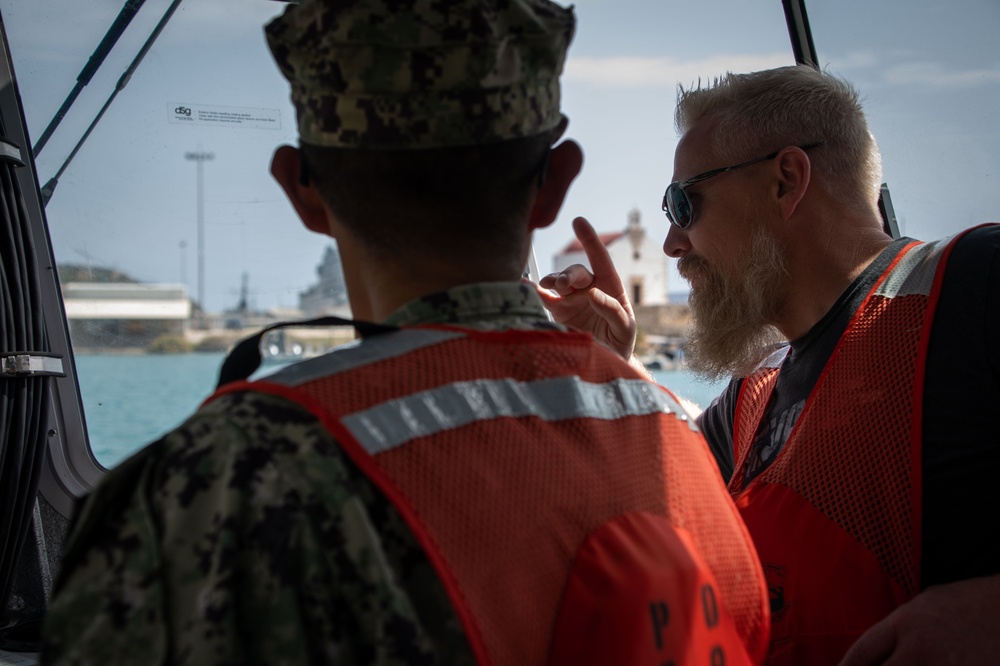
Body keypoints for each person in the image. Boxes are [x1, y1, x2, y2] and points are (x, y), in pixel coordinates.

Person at [39, 1, 771, 664]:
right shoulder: (683, 453)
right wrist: (607, 375)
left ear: (302, 191)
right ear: (554, 185)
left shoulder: (211, 490)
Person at [536, 64, 1000, 666]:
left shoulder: (975, 284)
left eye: (684, 203)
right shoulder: (751, 403)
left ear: (786, 181)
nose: (674, 243)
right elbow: (647, 504)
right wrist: (609, 368)